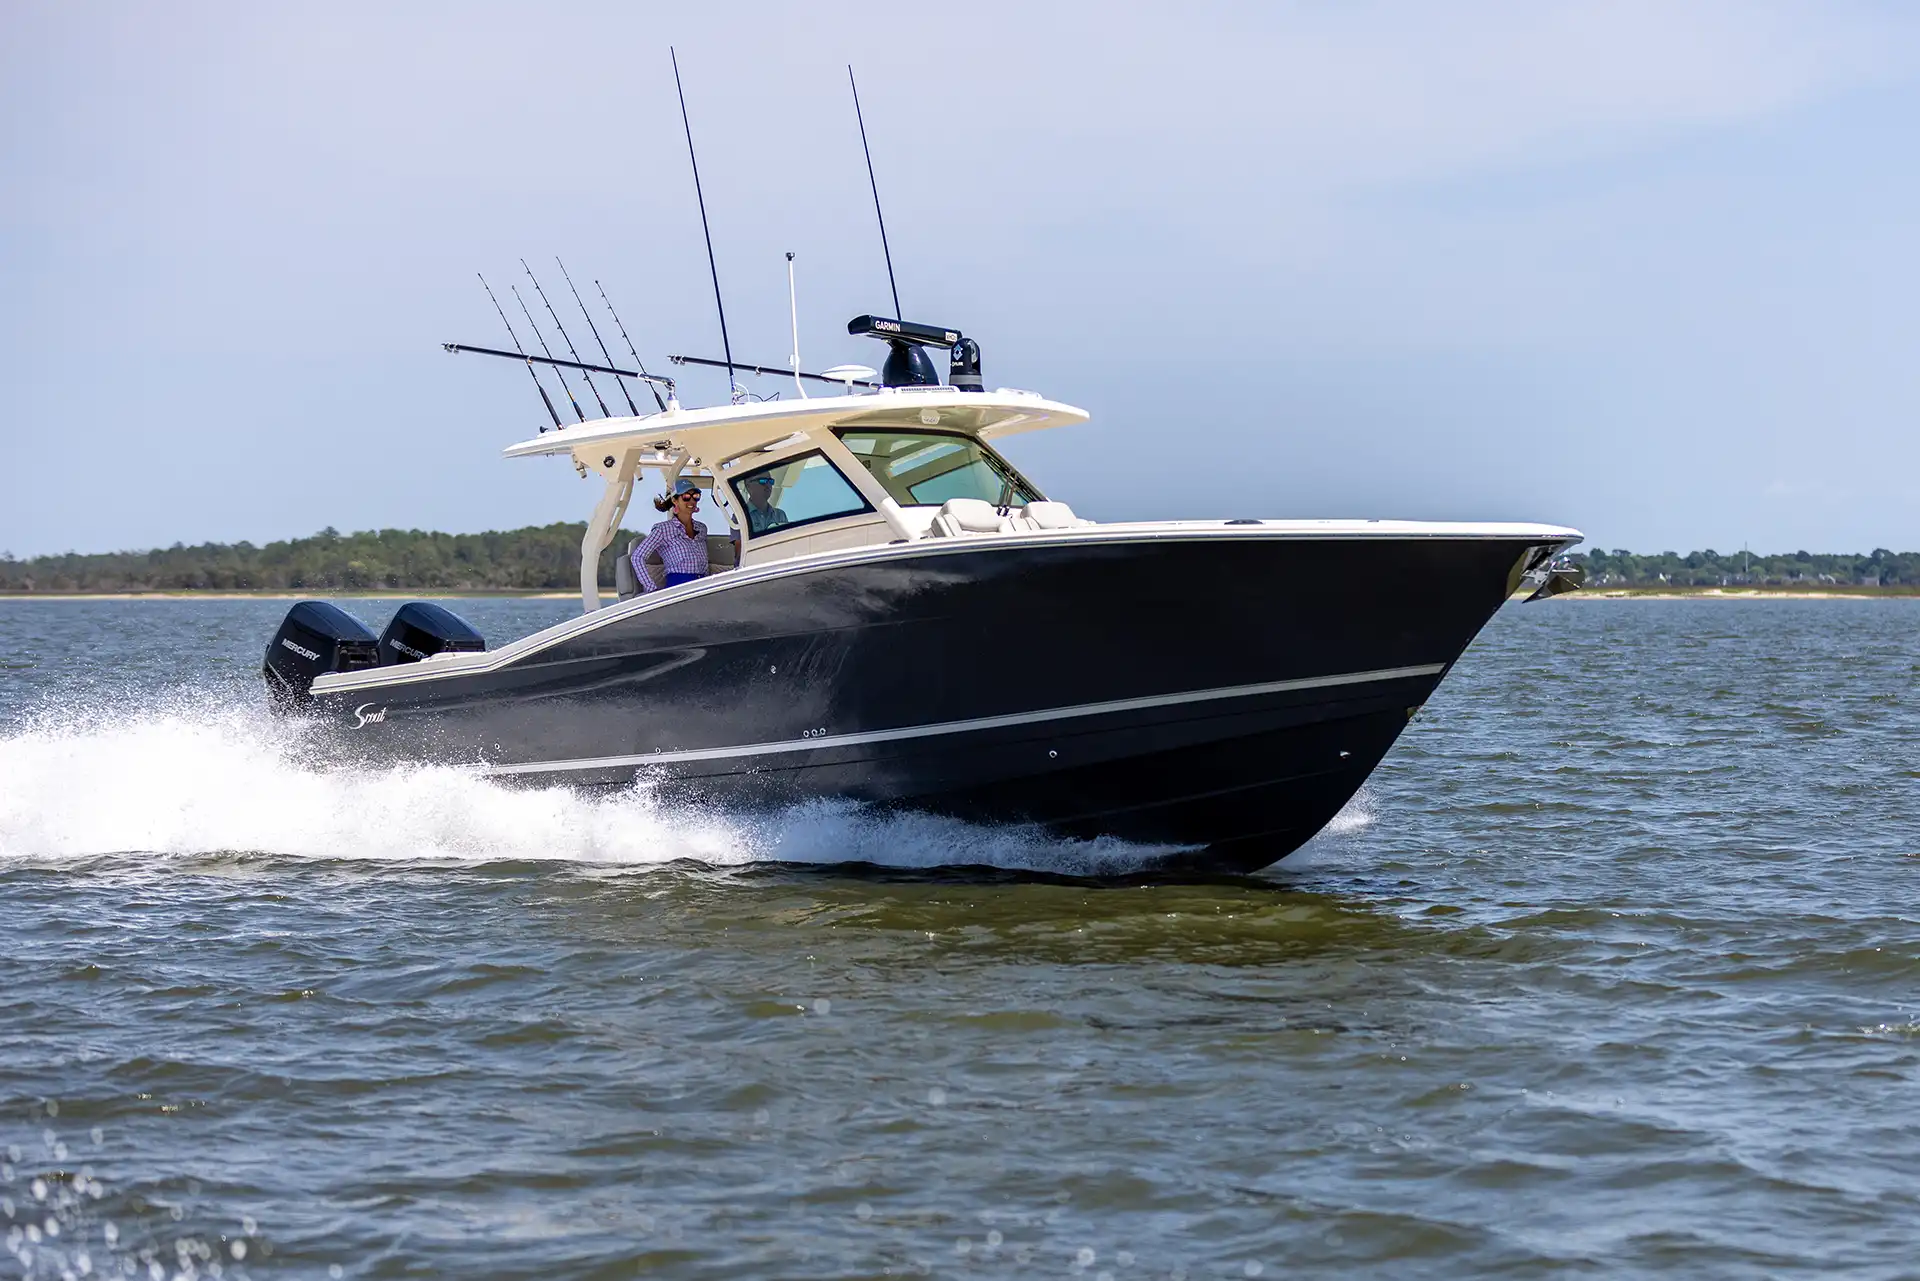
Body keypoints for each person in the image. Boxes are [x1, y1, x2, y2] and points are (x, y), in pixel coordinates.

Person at [630, 478, 710, 593]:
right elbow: (637, 557)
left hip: (704, 588)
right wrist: (651, 589)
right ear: (675, 500)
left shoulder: (701, 528)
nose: (692, 500)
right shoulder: (662, 529)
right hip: (677, 590)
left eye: (695, 496)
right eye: (686, 497)